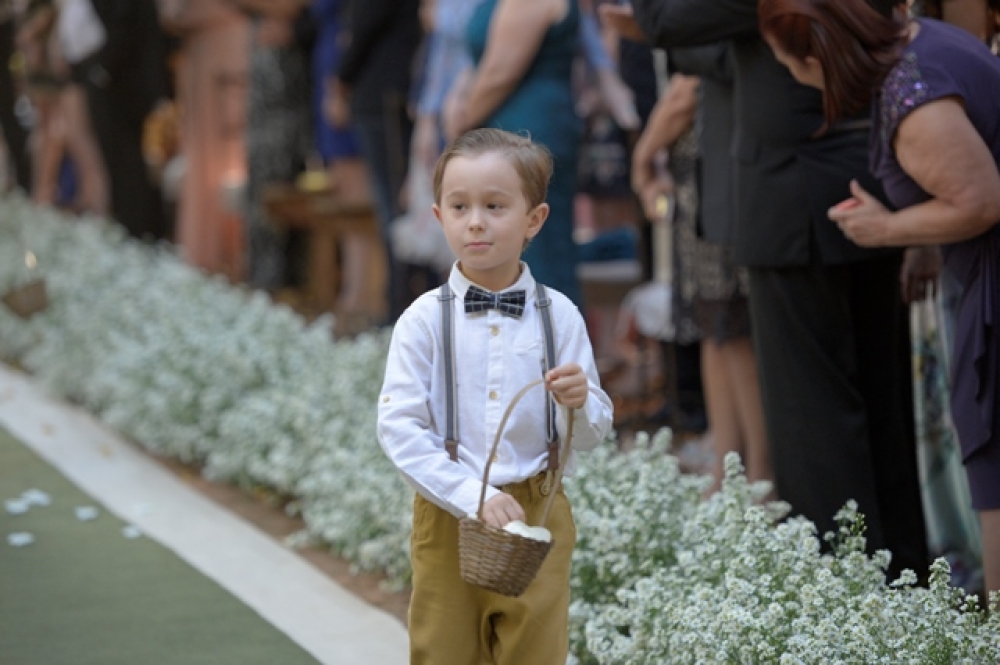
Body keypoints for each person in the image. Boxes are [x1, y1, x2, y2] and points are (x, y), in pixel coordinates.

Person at [604, 0, 929, 581]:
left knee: (811, 419)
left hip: (796, 194)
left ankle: (843, 588)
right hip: (862, 175)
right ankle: (902, 579)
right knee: (881, 405)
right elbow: (713, 42)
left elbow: (664, 21)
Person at [759, 0, 1000, 598]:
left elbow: (980, 201)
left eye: (790, 64)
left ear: (819, 56)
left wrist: (888, 229)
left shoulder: (910, 98)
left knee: (994, 464)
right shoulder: (921, 41)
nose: (794, 78)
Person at [377, 128, 613, 664]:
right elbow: (398, 427)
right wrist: (471, 494)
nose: (476, 221)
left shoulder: (560, 316)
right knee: (443, 650)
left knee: (537, 652)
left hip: (538, 510)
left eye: (495, 206)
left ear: (535, 219)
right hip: (448, 513)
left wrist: (580, 401)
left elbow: (593, 432)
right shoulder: (422, 320)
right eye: (460, 206)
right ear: (438, 216)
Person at [446, 0, 584, 307]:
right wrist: (456, 99)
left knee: (534, 251)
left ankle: (550, 334)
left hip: (528, 134)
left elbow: (500, 73)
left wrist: (463, 121)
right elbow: (481, 62)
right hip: (501, 129)